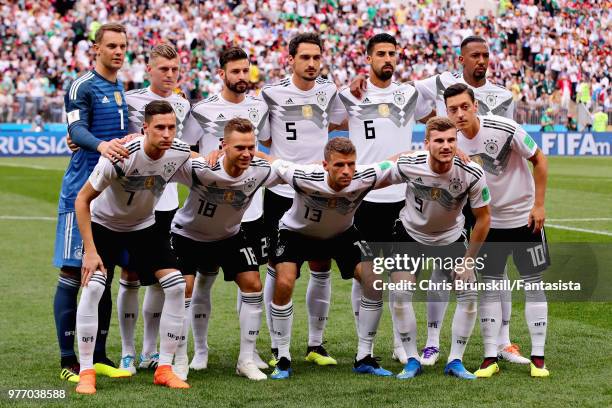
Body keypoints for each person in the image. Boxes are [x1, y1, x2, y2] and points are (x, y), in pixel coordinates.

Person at [74, 100, 192, 394]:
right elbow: (82, 200)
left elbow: (198, 159)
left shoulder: (177, 152)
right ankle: (87, 370)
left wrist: (216, 153)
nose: (166, 134)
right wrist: (90, 251)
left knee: (176, 285)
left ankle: (164, 367)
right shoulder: (121, 155)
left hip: (144, 227)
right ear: (145, 129)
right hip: (104, 227)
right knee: (93, 287)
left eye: (171, 127)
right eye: (159, 128)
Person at [443, 83, 550, 378]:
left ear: (475, 105)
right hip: (489, 224)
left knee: (533, 283)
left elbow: (539, 159)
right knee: (489, 287)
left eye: (465, 107)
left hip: (525, 219)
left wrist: (539, 205)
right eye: (453, 109)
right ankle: (490, 356)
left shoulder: (505, 128)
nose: (460, 114)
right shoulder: (450, 143)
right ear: (447, 112)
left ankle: (538, 357)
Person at [267, 137, 396, 379]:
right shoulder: (303, 175)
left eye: (351, 164)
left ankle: (364, 356)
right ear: (325, 165)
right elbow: (272, 162)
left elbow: (395, 163)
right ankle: (282, 357)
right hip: (296, 232)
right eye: (339, 165)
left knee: (374, 278)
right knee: (284, 281)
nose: (346, 171)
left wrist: (439, 151)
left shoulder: (364, 176)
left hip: (341, 233)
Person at [338, 33, 430, 364]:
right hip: (362, 199)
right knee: (367, 278)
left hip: (402, 200)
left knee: (402, 281)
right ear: (368, 58)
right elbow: (327, 121)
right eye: (381, 53)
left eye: (392, 53)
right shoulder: (350, 94)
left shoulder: (410, 93)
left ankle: (401, 345)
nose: (387, 58)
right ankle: (366, 347)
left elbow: (433, 119)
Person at [52, 23, 133, 384]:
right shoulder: (82, 86)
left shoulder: (119, 87)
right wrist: (99, 145)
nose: (118, 52)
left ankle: (97, 354)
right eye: (111, 46)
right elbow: (76, 131)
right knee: (73, 271)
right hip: (80, 192)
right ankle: (69, 359)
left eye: (123, 46)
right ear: (96, 49)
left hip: (109, 193)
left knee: (102, 273)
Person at [170, 118, 281, 381]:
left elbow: (292, 171)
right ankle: (180, 359)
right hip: (188, 235)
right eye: (239, 147)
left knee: (253, 284)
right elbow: (165, 155)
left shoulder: (259, 169)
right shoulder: (202, 168)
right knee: (183, 289)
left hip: (229, 235)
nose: (246, 153)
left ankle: (246, 360)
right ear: (223, 146)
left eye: (250, 147)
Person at [181, 47, 270, 372]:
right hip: (211, 214)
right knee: (204, 281)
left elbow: (264, 150)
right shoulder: (203, 109)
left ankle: (249, 352)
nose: (242, 78)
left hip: (251, 210)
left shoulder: (260, 108)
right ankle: (200, 350)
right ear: (222, 74)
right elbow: (187, 151)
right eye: (235, 72)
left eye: (246, 71)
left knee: (249, 279)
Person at [260, 33, 346, 367]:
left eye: (316, 57)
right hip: (282, 191)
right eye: (305, 57)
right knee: (279, 270)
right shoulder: (271, 93)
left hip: (320, 193)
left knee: (321, 266)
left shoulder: (329, 91)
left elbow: (339, 119)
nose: (311, 63)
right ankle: (275, 346)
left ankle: (315, 344)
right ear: (291, 59)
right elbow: (266, 138)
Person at [385, 117, 491, 380]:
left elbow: (484, 218)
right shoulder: (410, 164)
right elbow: (379, 170)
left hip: (450, 237)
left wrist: (468, 260)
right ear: (427, 143)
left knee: (468, 296)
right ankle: (411, 359)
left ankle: (455, 360)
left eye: (451, 140)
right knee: (400, 293)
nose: (446, 145)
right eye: (439, 140)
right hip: (411, 233)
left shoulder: (472, 172)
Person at [120, 42, 192, 377]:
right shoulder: (130, 100)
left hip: (167, 203)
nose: (170, 75)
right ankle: (126, 351)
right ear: (149, 69)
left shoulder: (182, 103)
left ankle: (149, 350)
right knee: (130, 275)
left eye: (175, 69)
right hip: (132, 201)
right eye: (163, 69)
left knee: (159, 280)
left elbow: (186, 148)